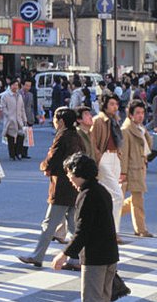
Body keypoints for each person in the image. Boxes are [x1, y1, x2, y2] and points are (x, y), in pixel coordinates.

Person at [18, 107, 83, 269]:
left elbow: (53, 158)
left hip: (61, 186)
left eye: (55, 119)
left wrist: (44, 166)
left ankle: (37, 256)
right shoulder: (76, 136)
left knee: (49, 224)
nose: (54, 122)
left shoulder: (62, 136)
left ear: (60, 121)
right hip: (74, 185)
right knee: (74, 225)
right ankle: (76, 258)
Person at [51, 153, 119, 302]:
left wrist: (64, 254)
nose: (70, 180)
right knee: (104, 298)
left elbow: (83, 230)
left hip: (95, 256)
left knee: (92, 298)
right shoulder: (102, 190)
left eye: (70, 175)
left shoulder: (87, 195)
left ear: (78, 173)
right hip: (110, 254)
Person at [89, 94, 125, 240]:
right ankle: (113, 232)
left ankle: (104, 228)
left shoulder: (115, 120)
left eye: (116, 104)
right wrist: (99, 158)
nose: (115, 107)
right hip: (104, 157)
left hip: (115, 157)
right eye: (111, 104)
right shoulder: (98, 120)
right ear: (104, 105)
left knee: (109, 196)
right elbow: (93, 142)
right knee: (118, 195)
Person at [119, 99, 153, 237]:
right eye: (137, 113)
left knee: (134, 200)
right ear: (130, 114)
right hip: (132, 169)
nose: (141, 116)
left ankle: (109, 213)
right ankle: (141, 229)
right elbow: (124, 153)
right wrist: (123, 172)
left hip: (141, 167)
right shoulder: (126, 130)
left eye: (142, 113)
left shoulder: (141, 128)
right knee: (138, 200)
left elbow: (147, 147)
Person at [0, 80, 27, 161]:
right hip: (10, 120)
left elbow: (22, 108)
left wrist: (24, 118)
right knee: (11, 138)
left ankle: (18, 152)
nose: (15, 87)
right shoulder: (5, 96)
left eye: (17, 85)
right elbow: (3, 107)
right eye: (14, 85)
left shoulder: (19, 96)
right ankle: (12, 154)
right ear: (10, 86)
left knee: (20, 136)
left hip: (19, 120)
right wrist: (8, 115)